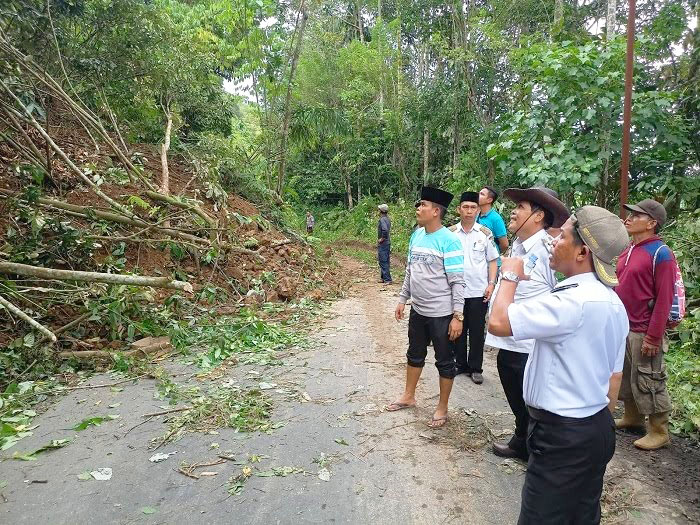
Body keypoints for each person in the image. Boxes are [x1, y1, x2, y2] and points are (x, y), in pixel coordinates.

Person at [488, 205, 629, 524]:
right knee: (581, 514)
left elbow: (497, 322)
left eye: (562, 236)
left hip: (562, 434)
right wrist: (592, 427)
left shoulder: (570, 302)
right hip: (593, 428)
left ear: (582, 251)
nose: (553, 242)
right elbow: (614, 377)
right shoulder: (613, 302)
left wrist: (510, 272)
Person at [488, 187, 569, 461]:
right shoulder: (520, 246)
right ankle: (523, 439)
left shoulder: (550, 251)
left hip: (530, 344)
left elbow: (564, 292)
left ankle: (537, 448)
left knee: (532, 399)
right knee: (514, 386)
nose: (513, 211)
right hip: (512, 339)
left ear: (538, 216)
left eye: (520, 206)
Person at [387, 186, 466, 428]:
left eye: (422, 205)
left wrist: (458, 316)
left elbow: (458, 281)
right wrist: (403, 299)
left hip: (442, 315)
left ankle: (442, 407)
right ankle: (409, 396)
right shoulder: (416, 235)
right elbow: (410, 271)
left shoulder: (450, 241)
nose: (418, 209)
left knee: (444, 360)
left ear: (435, 211)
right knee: (414, 353)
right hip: (418, 311)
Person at [614, 199, 677, 450]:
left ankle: (659, 431)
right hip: (624, 325)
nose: (628, 218)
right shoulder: (629, 248)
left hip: (644, 330)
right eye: (629, 215)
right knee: (629, 376)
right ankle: (633, 418)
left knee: (649, 379)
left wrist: (653, 337)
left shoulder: (661, 254)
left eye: (636, 216)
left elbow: (665, 299)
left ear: (652, 223)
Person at [450, 191, 499, 384]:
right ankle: (460, 364)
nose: (469, 211)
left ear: (478, 210)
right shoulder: (450, 233)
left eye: (473, 207)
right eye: (465, 207)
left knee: (477, 331)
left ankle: (476, 367)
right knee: (457, 329)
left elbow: (493, 260)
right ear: (459, 209)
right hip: (456, 291)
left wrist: (491, 283)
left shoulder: (484, 234)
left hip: (479, 291)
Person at [477, 186, 509, 257]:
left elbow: (505, 244)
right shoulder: (476, 215)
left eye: (482, 194)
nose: (478, 196)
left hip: (491, 261)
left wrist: (494, 252)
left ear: (489, 200)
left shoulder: (496, 219)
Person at [377, 204, 392, 284]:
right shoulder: (387, 219)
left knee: (383, 260)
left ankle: (387, 279)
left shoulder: (382, 220)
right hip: (387, 243)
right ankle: (383, 278)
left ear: (381, 211)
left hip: (384, 243)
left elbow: (385, 230)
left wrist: (381, 239)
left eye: (379, 210)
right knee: (385, 260)